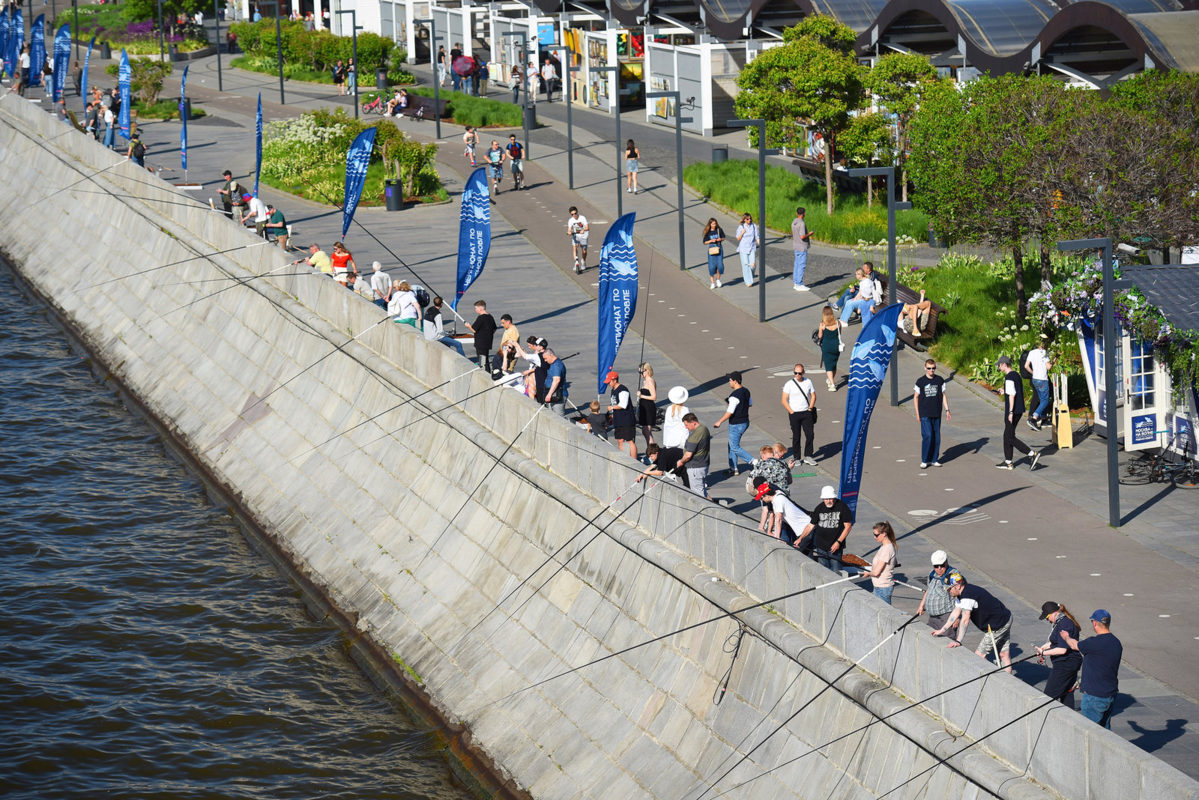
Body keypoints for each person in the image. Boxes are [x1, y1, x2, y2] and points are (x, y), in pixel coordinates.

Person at [933, 572, 1013, 673]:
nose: (948, 591)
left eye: (949, 588)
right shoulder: (962, 594)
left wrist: (958, 641)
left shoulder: (967, 596)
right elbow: (956, 612)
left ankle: (996, 679)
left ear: (957, 585)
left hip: (998, 625)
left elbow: (965, 620)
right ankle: (1006, 681)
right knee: (1004, 654)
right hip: (1005, 617)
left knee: (979, 656)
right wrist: (942, 630)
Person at [1061, 609, 1123, 729]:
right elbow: (1102, 664)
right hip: (1110, 693)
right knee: (1105, 732)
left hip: (1094, 696)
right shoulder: (1116, 643)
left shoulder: (1094, 643)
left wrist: (1066, 637)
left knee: (1090, 732)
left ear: (1094, 623)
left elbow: (1074, 645)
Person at [1034, 601, 1084, 709]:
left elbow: (1062, 650)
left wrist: (1044, 653)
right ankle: (1069, 716)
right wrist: (1043, 647)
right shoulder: (1061, 621)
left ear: (1054, 613)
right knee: (1066, 693)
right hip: (1068, 663)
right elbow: (1055, 641)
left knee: (1049, 695)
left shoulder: (1064, 624)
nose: (1047, 620)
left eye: (1047, 617)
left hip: (1066, 664)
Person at [996, 355, 1040, 470]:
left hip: (1013, 411)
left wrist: (1010, 412)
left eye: (999, 366)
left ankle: (1032, 454)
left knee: (1009, 437)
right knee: (1007, 435)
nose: (999, 368)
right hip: (1019, 409)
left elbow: (1012, 395)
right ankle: (1008, 462)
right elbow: (1014, 391)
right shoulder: (1016, 375)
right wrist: (1004, 391)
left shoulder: (1009, 377)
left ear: (1004, 364)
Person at [794, 485, 853, 569]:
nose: (828, 501)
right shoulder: (819, 508)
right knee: (824, 570)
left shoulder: (842, 507)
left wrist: (838, 542)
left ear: (834, 498)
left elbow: (848, 527)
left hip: (835, 547)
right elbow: (810, 526)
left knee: (836, 571)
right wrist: (800, 538)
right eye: (826, 499)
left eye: (830, 499)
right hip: (820, 546)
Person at [713, 371, 754, 476]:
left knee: (734, 446)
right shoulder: (746, 391)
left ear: (735, 381)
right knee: (731, 445)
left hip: (736, 424)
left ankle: (754, 462)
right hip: (745, 422)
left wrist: (719, 421)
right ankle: (733, 468)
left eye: (730, 380)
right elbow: (750, 404)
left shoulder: (734, 396)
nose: (729, 382)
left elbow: (729, 412)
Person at [914, 358, 951, 469]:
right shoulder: (920, 382)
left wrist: (947, 410)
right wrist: (917, 413)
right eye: (929, 368)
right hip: (925, 413)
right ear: (925, 368)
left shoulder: (939, 380)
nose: (931, 370)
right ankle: (925, 460)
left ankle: (934, 459)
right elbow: (915, 397)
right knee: (928, 435)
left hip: (936, 412)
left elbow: (943, 395)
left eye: (933, 368)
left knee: (937, 437)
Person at [781, 363, 818, 466]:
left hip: (806, 412)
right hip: (794, 413)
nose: (797, 375)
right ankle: (797, 457)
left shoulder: (808, 382)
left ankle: (808, 456)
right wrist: (791, 411)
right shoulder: (789, 384)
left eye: (799, 373)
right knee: (796, 436)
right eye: (795, 373)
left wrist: (810, 408)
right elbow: (784, 400)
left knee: (810, 434)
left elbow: (813, 395)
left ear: (803, 373)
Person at [916, 551, 956, 630]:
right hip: (932, 617)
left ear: (946, 562)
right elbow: (929, 590)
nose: (939, 568)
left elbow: (960, 596)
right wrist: (921, 605)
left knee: (946, 640)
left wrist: (957, 617)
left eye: (942, 565)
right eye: (936, 566)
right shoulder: (932, 574)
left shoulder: (953, 575)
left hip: (946, 617)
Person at [676, 413, 711, 499]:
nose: (686, 427)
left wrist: (681, 461)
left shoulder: (696, 435)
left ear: (693, 422)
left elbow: (688, 455)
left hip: (695, 467)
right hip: (703, 464)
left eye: (687, 425)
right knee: (701, 489)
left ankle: (705, 511)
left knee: (698, 493)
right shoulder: (704, 428)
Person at [605, 370, 638, 461]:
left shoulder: (623, 390)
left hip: (626, 419)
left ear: (615, 380)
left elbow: (623, 405)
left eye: (609, 382)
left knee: (629, 440)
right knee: (619, 440)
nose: (608, 384)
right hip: (618, 419)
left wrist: (612, 407)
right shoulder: (613, 390)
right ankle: (623, 459)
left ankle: (635, 460)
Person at [866, 522, 897, 604]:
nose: (874, 537)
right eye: (874, 534)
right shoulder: (884, 546)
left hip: (883, 588)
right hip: (879, 586)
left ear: (884, 533)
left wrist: (866, 573)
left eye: (876, 535)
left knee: (885, 614)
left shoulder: (887, 549)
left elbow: (876, 573)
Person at [1024, 339, 1052, 430]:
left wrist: (1032, 372)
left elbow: (1026, 366)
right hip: (1043, 379)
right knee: (1045, 401)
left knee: (1041, 399)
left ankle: (1043, 418)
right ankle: (1034, 418)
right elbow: (1049, 367)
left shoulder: (1032, 352)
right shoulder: (1044, 353)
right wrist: (1055, 358)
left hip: (1035, 379)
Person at [465, 300, 497, 371]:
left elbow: (474, 329)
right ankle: (488, 372)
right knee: (486, 359)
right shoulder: (490, 316)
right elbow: (494, 328)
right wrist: (488, 335)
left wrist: (468, 326)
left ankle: (485, 373)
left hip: (480, 343)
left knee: (482, 360)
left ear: (480, 308)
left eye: (476, 308)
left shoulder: (481, 317)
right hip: (487, 342)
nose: (475, 310)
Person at [816, 306, 843, 392]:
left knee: (828, 366)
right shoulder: (838, 323)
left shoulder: (823, 324)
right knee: (834, 364)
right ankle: (830, 380)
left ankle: (832, 384)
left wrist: (821, 330)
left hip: (827, 346)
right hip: (836, 346)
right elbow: (840, 334)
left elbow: (820, 336)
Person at [636, 362, 657, 453]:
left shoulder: (650, 381)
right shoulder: (645, 381)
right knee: (645, 431)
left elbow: (654, 397)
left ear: (647, 371)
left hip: (648, 407)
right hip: (644, 407)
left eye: (642, 372)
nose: (641, 375)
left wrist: (641, 396)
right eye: (639, 373)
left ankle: (652, 452)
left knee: (647, 431)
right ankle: (650, 450)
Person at [735, 212, 759, 287]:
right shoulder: (741, 227)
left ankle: (751, 274)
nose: (749, 220)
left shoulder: (754, 226)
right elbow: (738, 238)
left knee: (752, 265)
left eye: (750, 218)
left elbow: (757, 236)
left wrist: (759, 243)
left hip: (751, 247)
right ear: (744, 220)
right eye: (747, 219)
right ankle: (748, 282)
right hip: (743, 248)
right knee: (745, 265)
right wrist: (742, 232)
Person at [791, 206, 811, 292]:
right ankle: (799, 284)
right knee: (801, 265)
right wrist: (810, 234)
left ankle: (796, 283)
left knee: (797, 265)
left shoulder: (794, 222)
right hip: (802, 246)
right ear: (804, 214)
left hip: (796, 246)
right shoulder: (802, 223)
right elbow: (802, 236)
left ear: (796, 213)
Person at [702, 218, 725, 289]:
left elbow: (723, 237)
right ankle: (712, 283)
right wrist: (711, 240)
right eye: (713, 224)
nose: (714, 225)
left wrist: (720, 239)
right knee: (711, 266)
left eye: (715, 223)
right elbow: (704, 242)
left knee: (720, 265)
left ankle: (718, 280)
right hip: (711, 249)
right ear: (710, 224)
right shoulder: (708, 232)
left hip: (719, 248)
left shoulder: (719, 230)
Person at [567, 206, 589, 273]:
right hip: (576, 236)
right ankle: (576, 262)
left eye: (575, 213)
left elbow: (587, 227)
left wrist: (583, 230)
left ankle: (583, 261)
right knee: (575, 248)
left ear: (577, 211)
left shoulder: (582, 218)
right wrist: (569, 232)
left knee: (584, 251)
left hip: (583, 236)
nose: (574, 215)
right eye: (572, 214)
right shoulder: (570, 220)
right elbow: (569, 229)